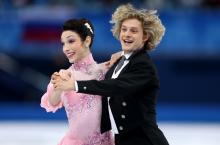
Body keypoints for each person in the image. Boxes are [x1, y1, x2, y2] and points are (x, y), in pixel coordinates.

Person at [52, 4, 169, 145]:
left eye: (133, 31)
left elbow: (115, 86)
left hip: (144, 140)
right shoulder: (121, 61)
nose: (127, 34)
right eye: (124, 29)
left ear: (145, 36)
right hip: (121, 140)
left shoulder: (143, 65)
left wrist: (76, 85)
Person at [41, 18, 116, 145]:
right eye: (63, 43)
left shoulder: (105, 70)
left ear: (87, 40)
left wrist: (120, 55)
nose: (66, 48)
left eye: (71, 41)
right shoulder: (65, 75)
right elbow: (52, 102)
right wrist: (59, 87)